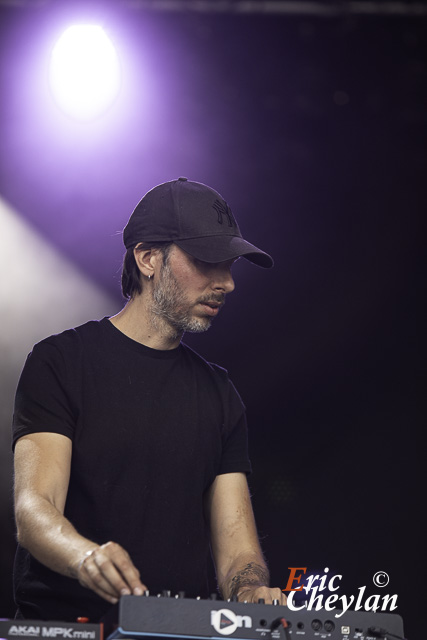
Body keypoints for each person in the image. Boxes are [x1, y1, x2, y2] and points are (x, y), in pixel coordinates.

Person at [12, 177, 286, 623]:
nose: (227, 283)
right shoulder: (60, 362)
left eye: (229, 265)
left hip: (182, 632)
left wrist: (251, 589)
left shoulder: (219, 393)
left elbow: (238, 553)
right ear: (147, 258)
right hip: (68, 627)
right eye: (207, 261)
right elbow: (34, 510)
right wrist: (85, 557)